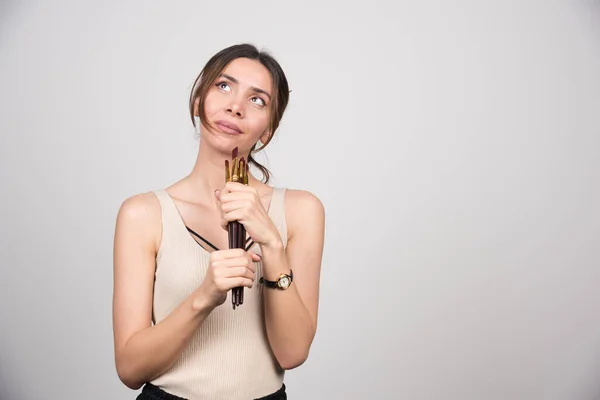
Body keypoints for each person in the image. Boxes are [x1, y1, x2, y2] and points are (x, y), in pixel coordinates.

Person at [111, 43, 325, 400]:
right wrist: (204, 296)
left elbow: (293, 353)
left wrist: (272, 245)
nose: (235, 106)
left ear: (268, 130)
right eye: (223, 86)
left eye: (257, 100)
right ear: (198, 101)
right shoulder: (143, 214)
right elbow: (130, 369)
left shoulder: (301, 210)